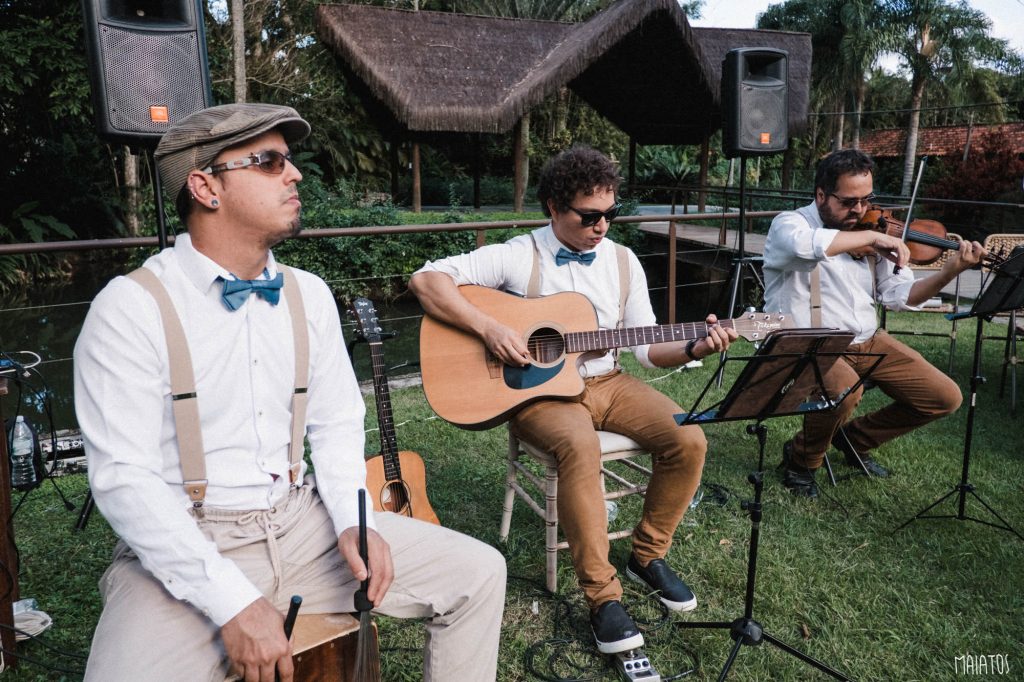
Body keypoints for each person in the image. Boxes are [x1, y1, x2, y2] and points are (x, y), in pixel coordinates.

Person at [74, 103, 506, 682]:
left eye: (289, 159)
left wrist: (358, 522)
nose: (295, 173)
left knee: (478, 574)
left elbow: (334, 423)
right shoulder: (129, 309)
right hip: (193, 536)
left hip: (301, 521)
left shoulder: (309, 294)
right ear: (205, 187)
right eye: (270, 161)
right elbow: (124, 479)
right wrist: (230, 600)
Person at [408, 146, 736, 655]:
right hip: (540, 396)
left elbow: (647, 351)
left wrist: (695, 344)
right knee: (579, 449)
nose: (602, 226)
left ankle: (646, 556)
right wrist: (491, 328)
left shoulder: (624, 262)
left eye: (610, 213)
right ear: (552, 208)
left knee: (688, 437)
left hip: (607, 381)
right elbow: (427, 280)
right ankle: (604, 598)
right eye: (588, 216)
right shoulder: (519, 254)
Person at [762, 148, 986, 498]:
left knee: (943, 397)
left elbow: (902, 295)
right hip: (808, 339)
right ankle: (801, 460)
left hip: (866, 337)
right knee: (844, 388)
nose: (861, 211)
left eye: (867, 200)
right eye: (849, 202)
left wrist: (949, 271)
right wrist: (872, 237)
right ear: (821, 195)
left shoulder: (871, 230)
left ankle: (851, 440)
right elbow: (807, 247)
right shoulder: (791, 224)